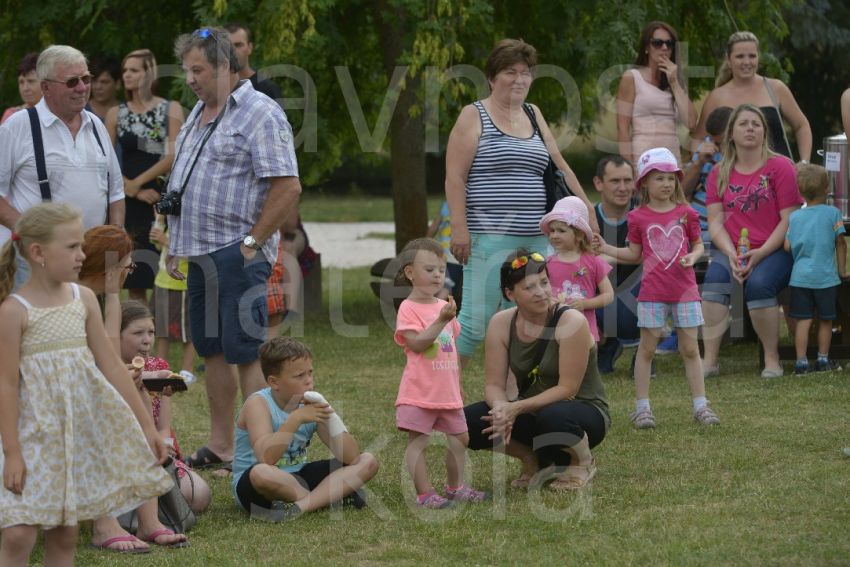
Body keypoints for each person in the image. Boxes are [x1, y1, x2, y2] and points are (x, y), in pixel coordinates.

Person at [0, 203, 172, 565]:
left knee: (65, 533)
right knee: (19, 533)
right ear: (38, 253)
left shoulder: (84, 300)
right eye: (72, 247)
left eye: (81, 245)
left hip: (75, 436)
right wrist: (12, 452)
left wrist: (147, 427)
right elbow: (7, 384)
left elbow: (112, 367)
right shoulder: (15, 311)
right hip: (33, 437)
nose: (82, 255)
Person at [166, 28, 301, 470]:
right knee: (212, 350)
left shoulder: (261, 112)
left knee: (245, 350)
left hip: (237, 252)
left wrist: (251, 242)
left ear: (225, 67)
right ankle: (222, 444)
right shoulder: (199, 112)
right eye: (187, 70)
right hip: (200, 253)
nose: (190, 79)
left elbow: (287, 186)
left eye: (198, 70)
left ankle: (258, 452)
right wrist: (176, 240)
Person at [445, 38, 596, 367]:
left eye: (525, 72)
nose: (519, 79)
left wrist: (588, 210)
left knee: (530, 320)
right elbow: (455, 177)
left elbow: (560, 166)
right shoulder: (474, 115)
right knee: (475, 323)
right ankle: (441, 387)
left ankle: (518, 391)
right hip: (487, 236)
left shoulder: (533, 113)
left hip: (537, 239)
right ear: (492, 78)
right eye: (510, 72)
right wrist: (459, 227)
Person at [77, 225, 190, 551]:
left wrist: (114, 294)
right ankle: (105, 525)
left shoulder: (99, 297)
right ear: (109, 267)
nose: (130, 271)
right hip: (66, 399)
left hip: (89, 391)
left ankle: (149, 522)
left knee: (131, 420)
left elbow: (110, 358)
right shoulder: (75, 296)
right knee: (109, 421)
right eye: (128, 264)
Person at [464, 249, 609, 490]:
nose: (541, 292)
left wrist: (516, 408)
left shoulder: (571, 321)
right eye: (529, 287)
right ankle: (533, 460)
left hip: (580, 412)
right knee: (466, 421)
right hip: (533, 413)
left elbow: (568, 389)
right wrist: (502, 410)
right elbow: (494, 385)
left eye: (544, 282)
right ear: (510, 294)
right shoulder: (501, 323)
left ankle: (581, 461)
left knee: (553, 416)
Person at [597, 148, 719, 428]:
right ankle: (642, 409)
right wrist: (606, 248)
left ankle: (701, 406)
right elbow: (634, 254)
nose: (666, 184)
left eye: (670, 178)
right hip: (652, 294)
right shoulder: (638, 217)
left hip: (685, 293)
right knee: (647, 350)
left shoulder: (687, 213)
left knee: (690, 350)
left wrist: (694, 256)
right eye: (659, 178)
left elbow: (698, 244)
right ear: (644, 183)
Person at [0, 45, 125, 291]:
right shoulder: (18, 126)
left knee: (84, 317)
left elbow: (116, 193)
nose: (82, 88)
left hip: (88, 261)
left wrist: (115, 242)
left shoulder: (96, 126)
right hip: (34, 261)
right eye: (72, 82)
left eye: (86, 79)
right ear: (46, 87)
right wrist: (32, 232)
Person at [702, 104, 803, 378]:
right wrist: (731, 254)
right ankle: (709, 360)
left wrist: (760, 253)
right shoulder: (719, 172)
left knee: (759, 284)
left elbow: (789, 219)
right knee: (714, 280)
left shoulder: (781, 167)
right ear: (731, 133)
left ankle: (771, 358)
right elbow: (715, 222)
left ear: (764, 132)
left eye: (756, 124)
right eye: (743, 123)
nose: (750, 128)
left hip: (775, 249)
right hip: (732, 250)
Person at [231, 336, 379, 521]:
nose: (308, 381)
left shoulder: (311, 403)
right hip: (259, 485)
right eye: (299, 376)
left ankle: (302, 506)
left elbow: (351, 457)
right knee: (261, 473)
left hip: (299, 476)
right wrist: (295, 418)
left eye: (310, 373)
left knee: (367, 461)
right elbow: (266, 458)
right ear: (274, 382)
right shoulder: (258, 404)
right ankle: (329, 497)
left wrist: (331, 417)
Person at [393, 238, 488, 508]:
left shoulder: (442, 306)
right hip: (419, 392)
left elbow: (451, 349)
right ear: (410, 272)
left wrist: (458, 383)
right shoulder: (409, 308)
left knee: (461, 438)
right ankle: (424, 494)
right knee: (418, 442)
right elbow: (417, 344)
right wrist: (441, 320)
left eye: (441, 270)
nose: (437, 275)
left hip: (447, 392)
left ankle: (455, 487)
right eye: (429, 269)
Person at [105, 49, 183, 302]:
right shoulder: (116, 113)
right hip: (128, 198)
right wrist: (133, 189)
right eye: (125, 70)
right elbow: (105, 159)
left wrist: (138, 184)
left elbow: (173, 155)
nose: (127, 75)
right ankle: (138, 325)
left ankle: (163, 324)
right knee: (135, 275)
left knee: (164, 271)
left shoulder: (171, 108)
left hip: (161, 197)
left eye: (134, 70)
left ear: (149, 74)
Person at [119, 300, 211, 512]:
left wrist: (163, 443)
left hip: (157, 451)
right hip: (122, 454)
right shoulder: (105, 371)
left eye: (151, 332)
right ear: (116, 335)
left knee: (199, 496)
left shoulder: (159, 367)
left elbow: (163, 426)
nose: (147, 340)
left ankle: (153, 504)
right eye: (138, 333)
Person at [693, 31, 811, 163]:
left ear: (758, 58)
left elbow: (801, 125)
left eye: (752, 56)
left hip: (780, 171)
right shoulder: (717, 97)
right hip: (735, 173)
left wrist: (804, 162)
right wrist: (703, 158)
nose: (746, 62)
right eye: (740, 56)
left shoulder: (776, 88)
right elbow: (698, 139)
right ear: (728, 60)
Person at [784, 164, 847, 374]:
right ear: (827, 188)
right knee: (826, 320)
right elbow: (841, 243)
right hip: (826, 278)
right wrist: (842, 271)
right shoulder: (833, 213)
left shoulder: (795, 217)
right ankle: (822, 360)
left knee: (803, 320)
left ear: (800, 191)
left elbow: (787, 246)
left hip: (800, 278)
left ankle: (801, 363)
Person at [591, 156, 644, 374]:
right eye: (615, 181)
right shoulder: (587, 220)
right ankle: (606, 343)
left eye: (627, 180)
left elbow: (656, 255)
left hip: (638, 294)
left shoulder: (645, 215)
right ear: (598, 183)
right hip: (600, 296)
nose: (623, 188)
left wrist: (609, 257)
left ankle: (645, 352)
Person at [617, 21, 696, 166]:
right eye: (657, 43)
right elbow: (622, 128)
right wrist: (630, 166)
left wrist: (674, 82)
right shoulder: (632, 77)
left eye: (669, 44)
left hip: (671, 159)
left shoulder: (675, 80)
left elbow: (691, 122)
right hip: (643, 159)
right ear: (647, 47)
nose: (664, 48)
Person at [539, 196, 614, 342]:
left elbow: (608, 295)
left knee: (583, 357)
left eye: (561, 231)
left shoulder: (593, 262)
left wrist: (585, 304)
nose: (554, 235)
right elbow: (541, 292)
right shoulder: (546, 264)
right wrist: (549, 301)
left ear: (579, 235)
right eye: (552, 231)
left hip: (585, 331)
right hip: (554, 330)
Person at [149, 215, 196, 382]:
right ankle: (161, 367)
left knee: (187, 330)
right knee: (161, 329)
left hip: (181, 284)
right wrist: (159, 222)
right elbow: (157, 244)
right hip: (162, 281)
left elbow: (193, 255)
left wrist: (166, 241)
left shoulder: (191, 224)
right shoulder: (172, 224)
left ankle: (187, 370)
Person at [225, 23, 283, 101]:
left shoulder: (267, 89)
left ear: (250, 48)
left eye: (238, 45)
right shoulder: (216, 88)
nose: (233, 51)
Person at [1, 53, 41, 125]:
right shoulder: (11, 115)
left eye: (31, 81)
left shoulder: (57, 113)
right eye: (21, 82)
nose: (25, 88)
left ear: (44, 84)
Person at [87, 56, 121, 122]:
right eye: (94, 81)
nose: (98, 87)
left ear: (117, 84)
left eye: (104, 82)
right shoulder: (80, 111)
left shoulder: (128, 111)